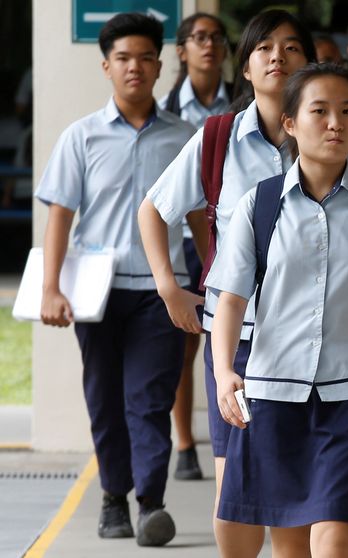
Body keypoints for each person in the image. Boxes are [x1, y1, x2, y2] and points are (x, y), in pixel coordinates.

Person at [208, 62, 348, 558]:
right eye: (320, 111)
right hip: (273, 392)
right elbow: (229, 298)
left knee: (336, 538)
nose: (336, 123)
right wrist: (225, 370)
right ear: (290, 122)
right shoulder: (261, 203)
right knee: (289, 544)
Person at [138, 9, 316, 549]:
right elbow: (154, 208)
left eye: (291, 48)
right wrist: (168, 285)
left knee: (295, 493)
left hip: (310, 338)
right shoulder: (217, 137)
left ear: (311, 63)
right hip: (234, 341)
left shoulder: (333, 132)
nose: (277, 57)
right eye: (264, 48)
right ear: (245, 67)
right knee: (235, 496)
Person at [36, 13, 195, 547]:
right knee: (105, 400)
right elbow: (60, 215)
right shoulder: (80, 137)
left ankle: (150, 501)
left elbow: (200, 216)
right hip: (95, 295)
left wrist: (214, 279)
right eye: (124, 58)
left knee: (148, 400)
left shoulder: (184, 138)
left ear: (159, 65)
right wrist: (51, 288)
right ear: (107, 66)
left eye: (145, 57)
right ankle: (112, 499)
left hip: (159, 291)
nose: (135, 67)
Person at [158, 11, 231, 482]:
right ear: (182, 50)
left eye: (216, 38)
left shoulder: (242, 108)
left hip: (227, 242)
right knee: (183, 345)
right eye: (198, 38)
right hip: (182, 240)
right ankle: (184, 442)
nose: (209, 45)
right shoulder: (166, 110)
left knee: (221, 341)